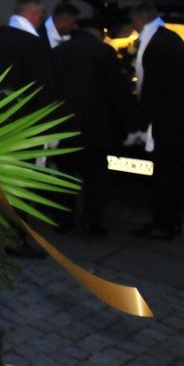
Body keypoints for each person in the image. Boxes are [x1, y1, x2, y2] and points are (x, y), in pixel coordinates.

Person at [0, 0, 54, 258]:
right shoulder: (33, 45)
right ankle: (14, 237)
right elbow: (42, 89)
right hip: (25, 126)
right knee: (21, 184)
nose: (43, 21)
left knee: (0, 181)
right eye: (42, 16)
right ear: (34, 15)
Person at [51, 18, 134, 237]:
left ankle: (64, 219)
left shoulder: (59, 51)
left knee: (66, 176)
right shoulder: (103, 52)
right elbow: (116, 89)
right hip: (94, 128)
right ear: (98, 32)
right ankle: (91, 222)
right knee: (95, 180)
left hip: (65, 126)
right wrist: (128, 122)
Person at [128, 2, 184, 240]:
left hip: (170, 122)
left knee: (165, 177)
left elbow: (153, 89)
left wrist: (140, 121)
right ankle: (169, 222)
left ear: (139, 22)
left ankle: (164, 225)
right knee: (168, 176)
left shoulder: (158, 44)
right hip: (177, 120)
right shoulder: (168, 39)